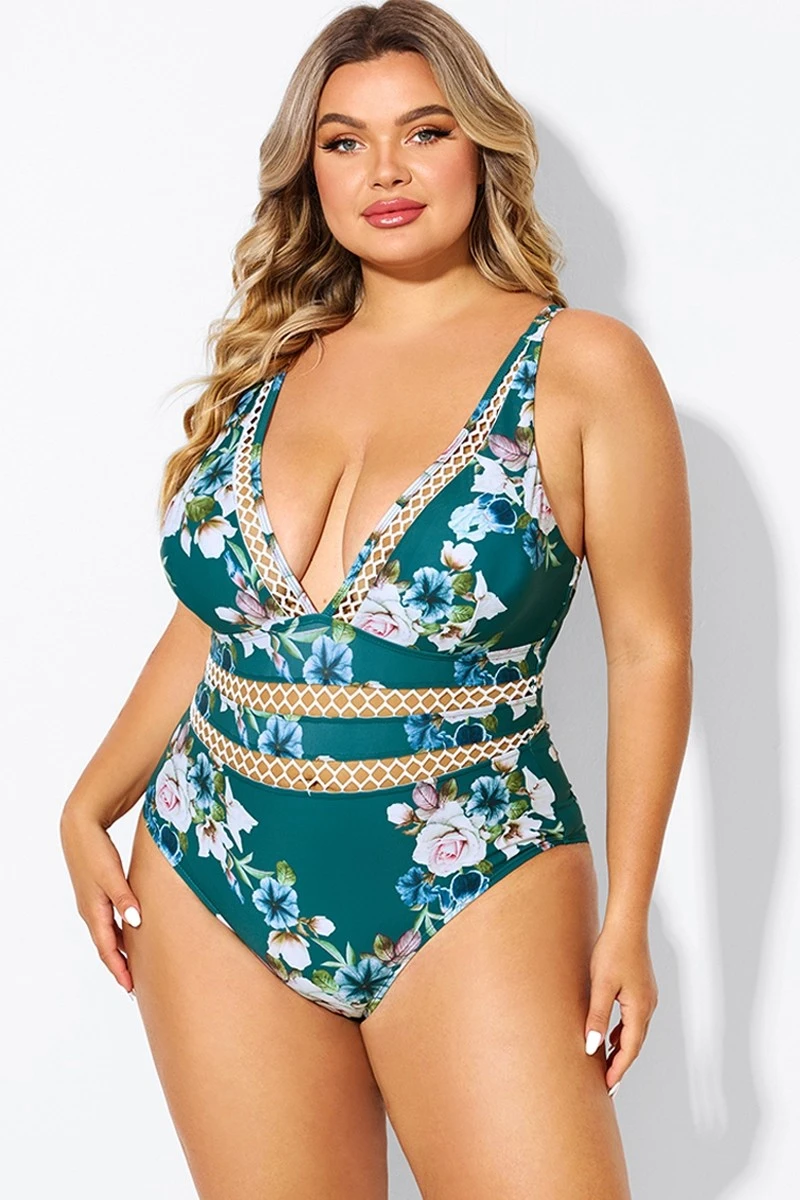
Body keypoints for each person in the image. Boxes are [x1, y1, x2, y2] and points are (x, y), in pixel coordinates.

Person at [60, 2, 692, 1196]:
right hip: (208, 867)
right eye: (344, 141)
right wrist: (89, 803)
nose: (385, 171)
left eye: (424, 132)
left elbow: (649, 649)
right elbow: (222, 625)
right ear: (309, 172)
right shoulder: (273, 367)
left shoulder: (579, 365)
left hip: (477, 871)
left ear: (481, 150)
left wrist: (628, 918)